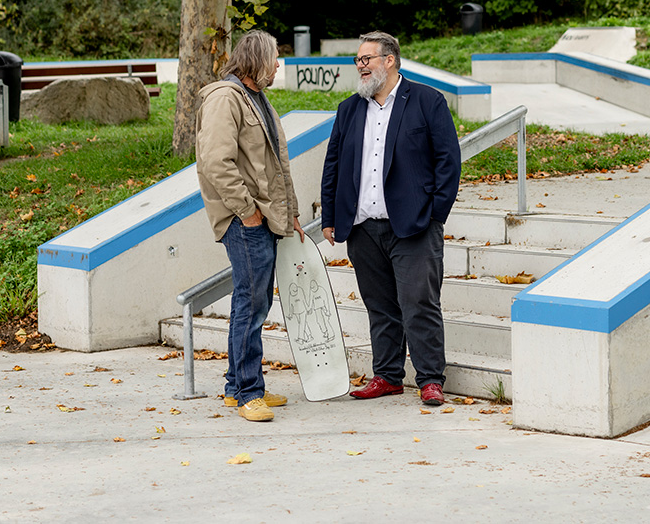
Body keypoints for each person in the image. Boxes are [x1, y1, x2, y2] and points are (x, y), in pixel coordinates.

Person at [320, 31, 461, 407]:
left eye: (367, 59)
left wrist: (435, 214)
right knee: (379, 305)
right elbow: (334, 164)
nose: (361, 66)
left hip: (414, 226)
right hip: (363, 227)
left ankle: (430, 379)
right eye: (358, 60)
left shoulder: (427, 101)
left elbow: (448, 159)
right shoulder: (349, 109)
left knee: (419, 302)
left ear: (390, 60)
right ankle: (387, 376)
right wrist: (330, 215)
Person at [195, 30, 305, 422]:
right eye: (274, 58)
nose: (278, 65)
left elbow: (275, 165)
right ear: (258, 59)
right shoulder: (225, 98)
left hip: (262, 215)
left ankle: (236, 386)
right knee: (251, 302)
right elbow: (215, 162)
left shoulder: (255, 97)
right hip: (244, 220)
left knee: (255, 301)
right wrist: (246, 211)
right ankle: (247, 392)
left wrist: (291, 213)